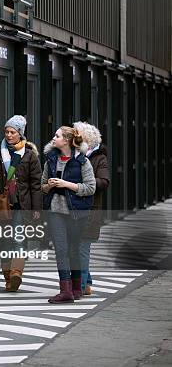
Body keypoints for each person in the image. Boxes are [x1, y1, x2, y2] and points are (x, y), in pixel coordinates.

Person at [0, 115, 41, 292]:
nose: (9, 135)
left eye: (13, 132)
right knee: (4, 241)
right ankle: (8, 279)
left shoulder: (29, 155)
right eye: (7, 132)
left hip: (21, 204)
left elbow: (35, 184)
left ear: (20, 133)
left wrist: (37, 207)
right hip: (1, 205)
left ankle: (16, 274)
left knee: (18, 239)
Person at [42, 126, 96, 303]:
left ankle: (76, 289)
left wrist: (66, 184)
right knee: (61, 249)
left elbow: (90, 188)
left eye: (56, 136)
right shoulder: (50, 160)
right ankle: (65, 290)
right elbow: (42, 186)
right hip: (56, 211)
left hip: (76, 212)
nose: (53, 138)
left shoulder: (82, 161)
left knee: (74, 249)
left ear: (66, 140)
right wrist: (50, 185)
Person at [73, 122, 110, 295]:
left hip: (89, 210)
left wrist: (82, 185)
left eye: (77, 134)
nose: (74, 137)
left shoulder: (99, 158)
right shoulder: (72, 154)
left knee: (82, 248)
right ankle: (86, 282)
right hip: (72, 209)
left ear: (86, 139)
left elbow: (104, 181)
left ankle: (79, 288)